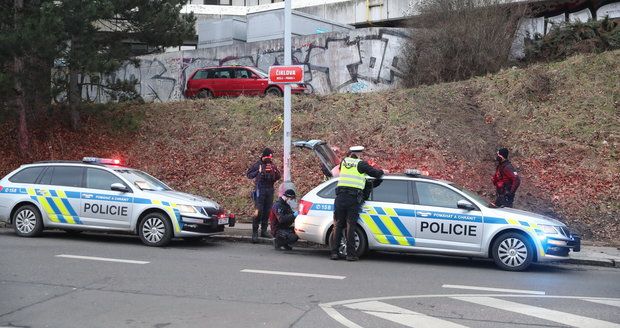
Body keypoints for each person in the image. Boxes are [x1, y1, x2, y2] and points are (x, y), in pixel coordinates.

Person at [331, 146, 384, 261]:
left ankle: (334, 253)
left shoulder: (343, 162)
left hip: (340, 197)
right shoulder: (361, 164)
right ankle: (350, 254)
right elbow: (376, 173)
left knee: (338, 225)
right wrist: (382, 171)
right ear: (359, 154)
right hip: (353, 199)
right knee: (351, 225)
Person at [247, 148, 281, 243]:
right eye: (268, 156)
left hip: (269, 189)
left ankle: (264, 230)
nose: (269, 159)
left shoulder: (272, 165)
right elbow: (249, 175)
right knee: (258, 211)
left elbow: (278, 176)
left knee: (267, 211)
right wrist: (259, 171)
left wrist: (274, 171)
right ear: (263, 156)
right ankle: (255, 232)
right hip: (260, 189)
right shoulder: (257, 164)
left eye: (270, 157)